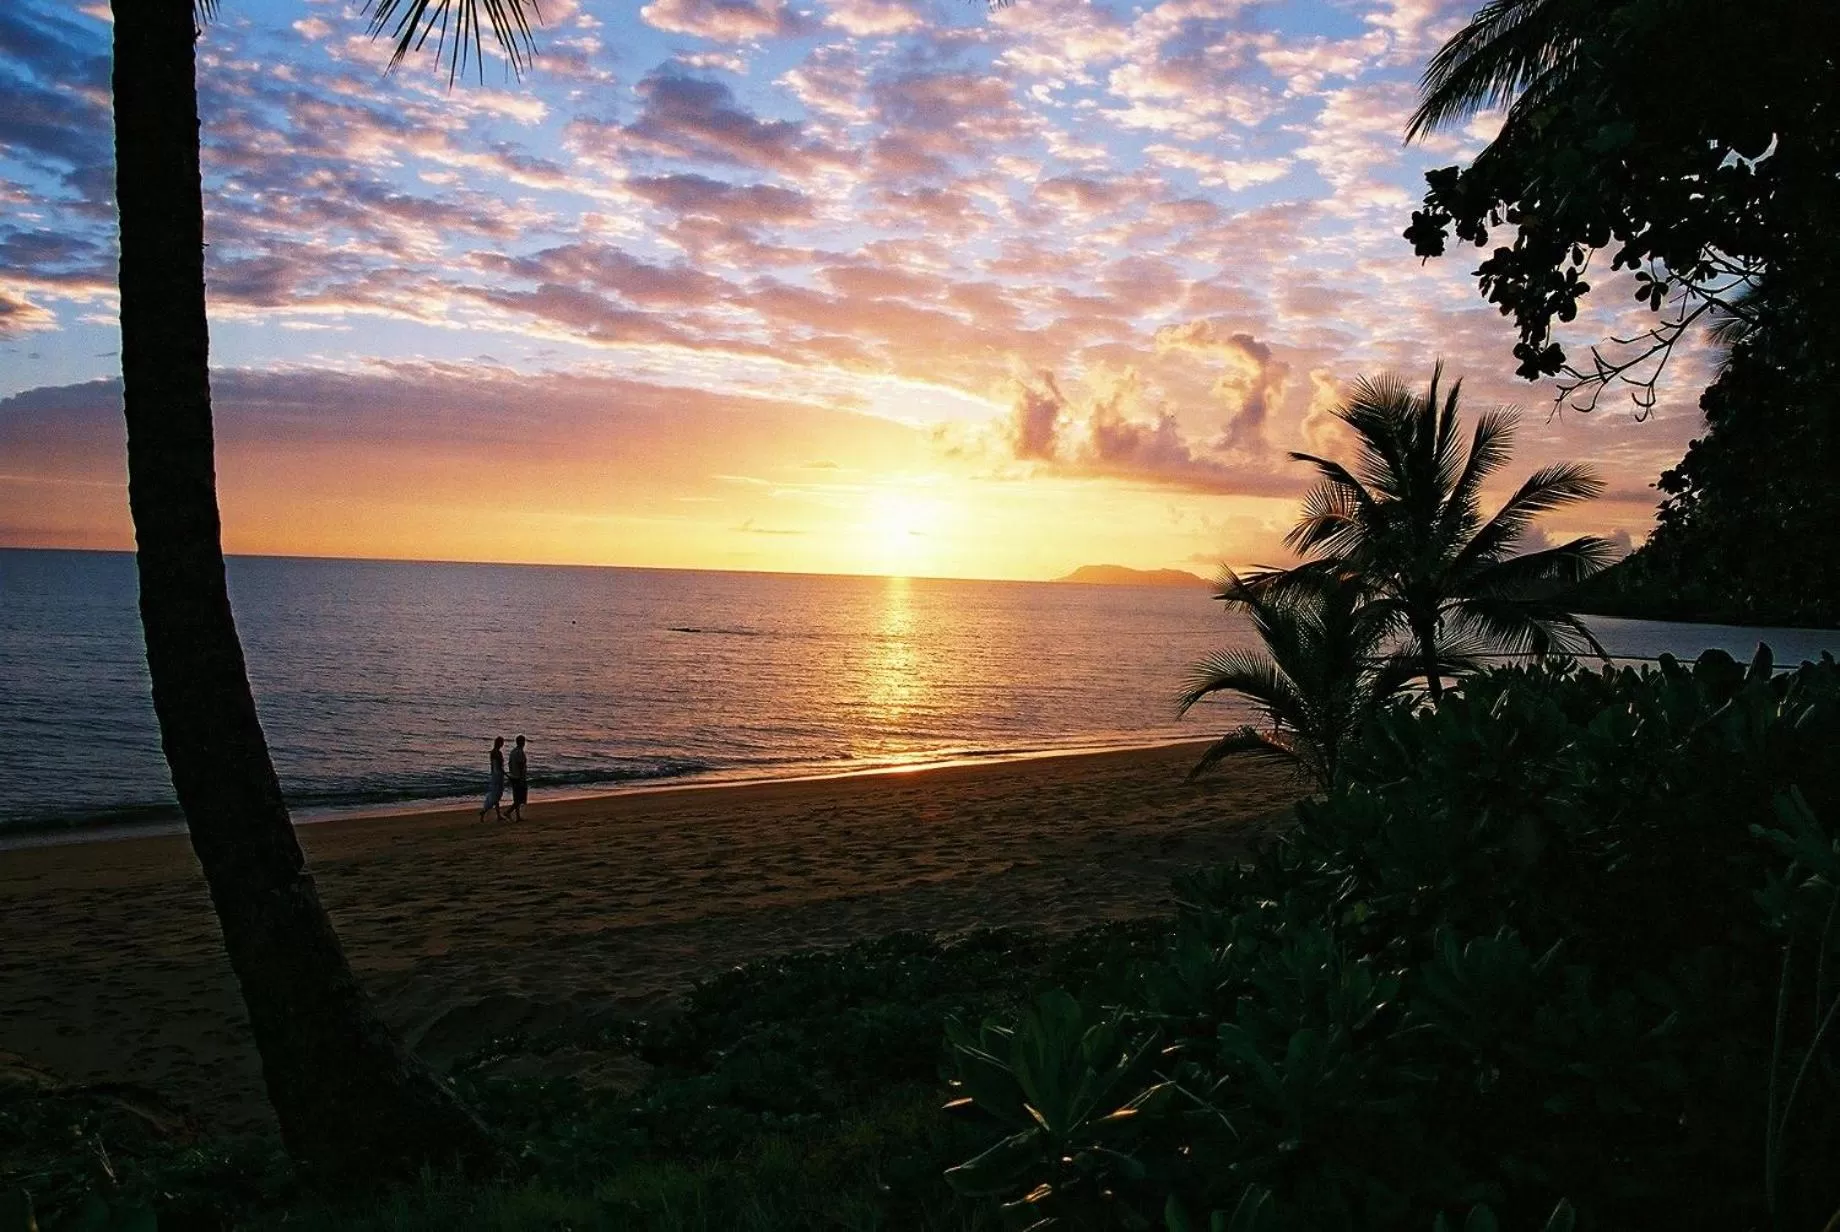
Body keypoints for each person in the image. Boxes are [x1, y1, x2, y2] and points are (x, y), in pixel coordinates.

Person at [480, 736, 506, 822]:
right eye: (502, 743)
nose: (502, 744)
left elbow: (493, 767)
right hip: (498, 776)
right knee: (496, 795)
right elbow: (499, 766)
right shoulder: (497, 753)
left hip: (494, 775)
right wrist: (506, 774)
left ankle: (498, 815)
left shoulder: (493, 753)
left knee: (495, 795)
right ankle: (484, 811)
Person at [506, 734, 529, 821]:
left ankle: (517, 816)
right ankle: (508, 812)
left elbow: (510, 764)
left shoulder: (513, 752)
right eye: (523, 742)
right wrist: (522, 777)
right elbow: (521, 765)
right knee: (520, 798)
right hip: (519, 777)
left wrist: (511, 773)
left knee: (517, 798)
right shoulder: (519, 752)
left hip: (513, 776)